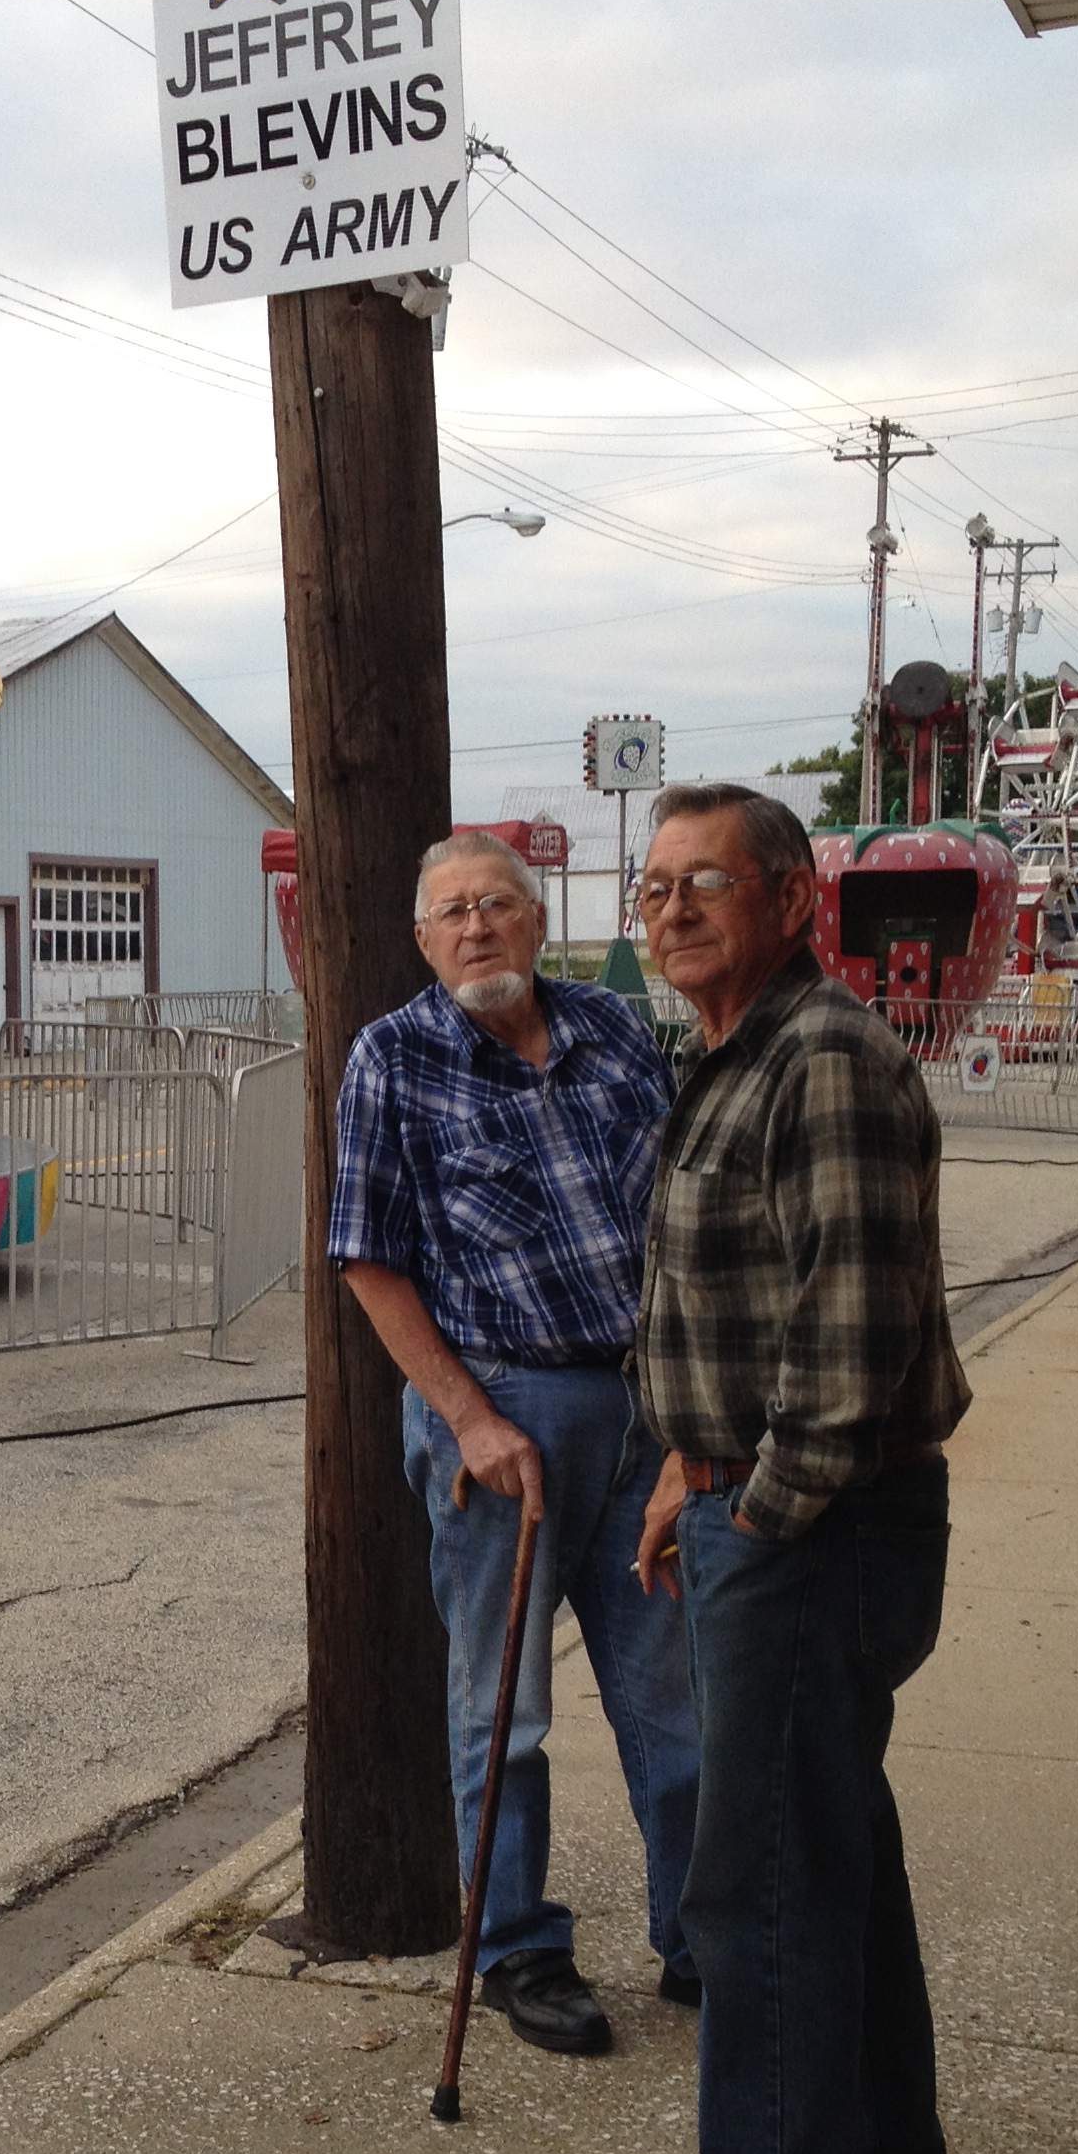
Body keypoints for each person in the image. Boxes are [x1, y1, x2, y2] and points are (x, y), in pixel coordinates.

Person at [574, 785, 968, 2154]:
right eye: (651, 884)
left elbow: (851, 1349)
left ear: (795, 898)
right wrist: (689, 1463)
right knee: (830, 1852)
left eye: (705, 885)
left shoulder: (823, 1061)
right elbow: (732, 1312)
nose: (667, 911)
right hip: (760, 1501)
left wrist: (755, 1506)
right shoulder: (728, 1054)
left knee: (762, 1893)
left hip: (813, 1530)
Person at [329, 829, 700, 2057]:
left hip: (647, 1415)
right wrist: (468, 1418)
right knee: (507, 1711)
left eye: (496, 904)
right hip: (505, 1425)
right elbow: (370, 1263)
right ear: (423, 940)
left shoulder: (616, 1031)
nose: (475, 928)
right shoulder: (393, 1060)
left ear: (540, 921)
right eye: (450, 913)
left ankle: (702, 1935)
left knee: (674, 1692)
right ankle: (519, 1949)